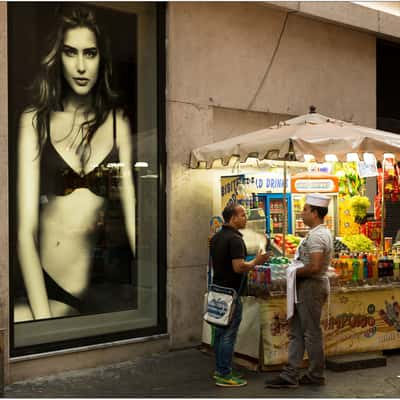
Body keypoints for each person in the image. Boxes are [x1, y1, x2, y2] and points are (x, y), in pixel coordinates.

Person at [15, 7, 136, 321]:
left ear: (101, 59)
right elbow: (25, 230)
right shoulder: (35, 121)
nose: (81, 66)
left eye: (90, 53)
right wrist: (42, 318)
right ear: (59, 58)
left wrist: (153, 287)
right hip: (44, 283)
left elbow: (134, 221)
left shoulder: (116, 124)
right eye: (71, 53)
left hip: (96, 289)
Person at [265, 194, 333, 388]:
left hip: (311, 287)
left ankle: (315, 374)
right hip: (303, 287)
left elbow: (315, 266)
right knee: (296, 332)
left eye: (305, 209)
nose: (301, 213)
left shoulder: (318, 235)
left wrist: (292, 272)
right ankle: (290, 374)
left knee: (311, 333)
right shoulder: (315, 233)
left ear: (314, 212)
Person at [210, 204, 270, 387]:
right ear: (233, 218)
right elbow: (239, 267)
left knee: (220, 333)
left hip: (218, 290)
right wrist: (256, 261)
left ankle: (220, 369)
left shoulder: (217, 237)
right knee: (229, 334)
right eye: (243, 215)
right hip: (232, 293)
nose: (245, 218)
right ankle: (225, 374)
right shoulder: (235, 239)